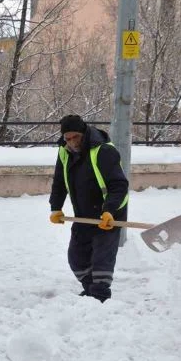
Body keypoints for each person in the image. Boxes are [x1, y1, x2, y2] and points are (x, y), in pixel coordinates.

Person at [49, 115, 128, 302]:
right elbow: (59, 182)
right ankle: (90, 290)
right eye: (67, 138)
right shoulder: (64, 151)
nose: (72, 142)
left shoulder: (104, 151)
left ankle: (100, 296)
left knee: (102, 259)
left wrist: (109, 210)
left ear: (84, 133)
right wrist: (55, 207)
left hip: (109, 214)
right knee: (76, 259)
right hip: (83, 214)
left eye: (75, 137)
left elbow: (119, 185)